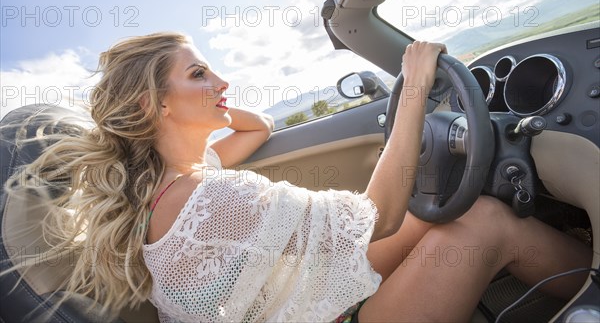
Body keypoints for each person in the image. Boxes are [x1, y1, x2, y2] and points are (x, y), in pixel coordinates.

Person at [4, 32, 592, 322]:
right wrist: (413, 91)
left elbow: (254, 132)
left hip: (300, 298)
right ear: (152, 105)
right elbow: (376, 219)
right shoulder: (209, 199)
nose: (222, 80)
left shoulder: (172, 185)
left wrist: (201, 110)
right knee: (484, 219)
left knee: (438, 214)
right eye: (199, 73)